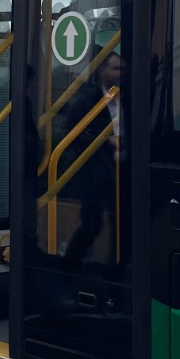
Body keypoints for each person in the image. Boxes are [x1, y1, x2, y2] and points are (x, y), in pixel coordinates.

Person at [55, 49, 122, 267]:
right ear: (103, 71)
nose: (120, 73)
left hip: (125, 169)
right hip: (98, 171)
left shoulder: (130, 99)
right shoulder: (88, 102)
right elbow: (74, 134)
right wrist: (105, 141)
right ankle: (69, 266)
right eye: (116, 68)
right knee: (92, 224)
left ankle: (115, 270)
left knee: (121, 225)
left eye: (123, 69)